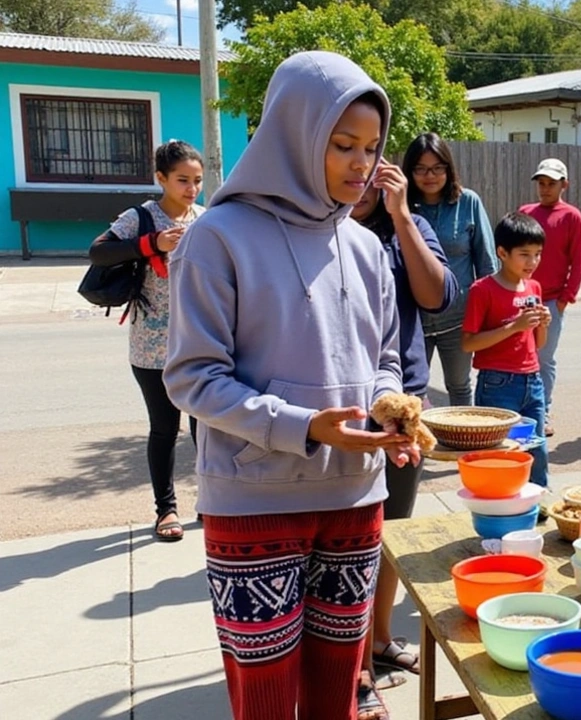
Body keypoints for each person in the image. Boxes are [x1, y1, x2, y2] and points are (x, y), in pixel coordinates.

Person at [164, 51, 421, 720]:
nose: (361, 164)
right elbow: (192, 377)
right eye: (342, 145)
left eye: (371, 147)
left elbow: (385, 358)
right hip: (253, 502)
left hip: (355, 499)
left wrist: (389, 422)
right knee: (268, 701)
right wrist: (304, 425)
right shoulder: (218, 237)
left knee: (339, 692)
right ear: (295, 133)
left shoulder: (367, 248)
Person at [349, 159, 457, 716]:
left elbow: (438, 297)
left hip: (400, 403)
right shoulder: (321, 224)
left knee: (391, 532)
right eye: (347, 155)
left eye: (373, 168)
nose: (361, 181)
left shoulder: (405, 225)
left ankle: (380, 640)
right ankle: (353, 666)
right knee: (352, 541)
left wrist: (403, 216)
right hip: (339, 405)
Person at [89, 140, 204, 542]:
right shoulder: (141, 216)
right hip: (151, 345)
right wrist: (152, 243)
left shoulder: (204, 218)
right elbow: (98, 252)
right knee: (164, 429)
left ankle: (209, 502)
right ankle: (166, 510)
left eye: (197, 181)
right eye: (183, 180)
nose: (191, 189)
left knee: (204, 427)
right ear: (161, 179)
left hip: (200, 342)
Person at [403, 132, 497, 407]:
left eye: (436, 168)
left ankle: (461, 446)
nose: (428, 175)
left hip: (459, 319)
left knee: (458, 385)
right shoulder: (400, 207)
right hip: (413, 322)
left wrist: (490, 314)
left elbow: (487, 264)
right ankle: (416, 448)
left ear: (448, 168)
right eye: (420, 169)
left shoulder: (468, 202)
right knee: (410, 391)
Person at [462, 212, 552, 487]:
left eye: (537, 254)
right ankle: (500, 502)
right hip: (497, 383)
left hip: (533, 381)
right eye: (524, 254)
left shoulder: (534, 286)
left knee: (536, 449)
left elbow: (538, 344)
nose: (532, 262)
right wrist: (514, 326)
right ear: (502, 252)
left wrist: (543, 324)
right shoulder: (483, 289)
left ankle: (538, 504)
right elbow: (468, 342)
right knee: (499, 450)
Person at [520, 159, 581, 437]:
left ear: (564, 185)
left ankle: (542, 410)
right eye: (541, 183)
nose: (545, 189)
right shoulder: (525, 212)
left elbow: (579, 260)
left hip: (550, 301)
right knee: (521, 356)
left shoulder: (571, 216)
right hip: (522, 297)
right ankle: (521, 410)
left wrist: (564, 299)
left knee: (544, 358)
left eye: (551, 184)